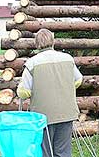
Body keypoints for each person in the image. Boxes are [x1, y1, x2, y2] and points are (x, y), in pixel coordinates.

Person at [17, 29, 83, 157]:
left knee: (46, 152)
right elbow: (79, 79)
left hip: (43, 116)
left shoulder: (32, 63)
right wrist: (64, 88)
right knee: (63, 152)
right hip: (67, 112)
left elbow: (23, 92)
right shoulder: (68, 59)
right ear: (52, 41)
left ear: (37, 43)